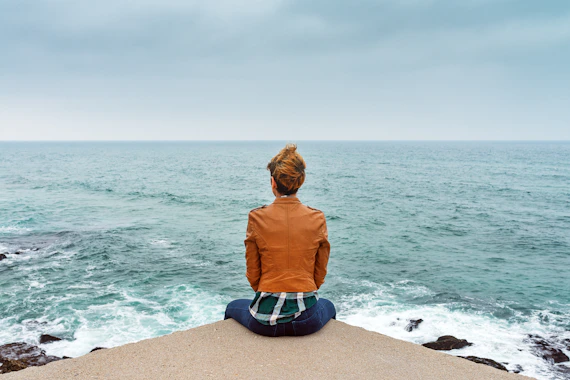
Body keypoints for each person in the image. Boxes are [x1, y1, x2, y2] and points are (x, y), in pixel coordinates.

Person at [224, 144, 336, 337]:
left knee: (232, 307)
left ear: (273, 183)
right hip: (307, 320)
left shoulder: (257, 217)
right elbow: (319, 273)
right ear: (301, 181)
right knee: (329, 306)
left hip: (264, 320)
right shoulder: (317, 217)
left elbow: (253, 274)